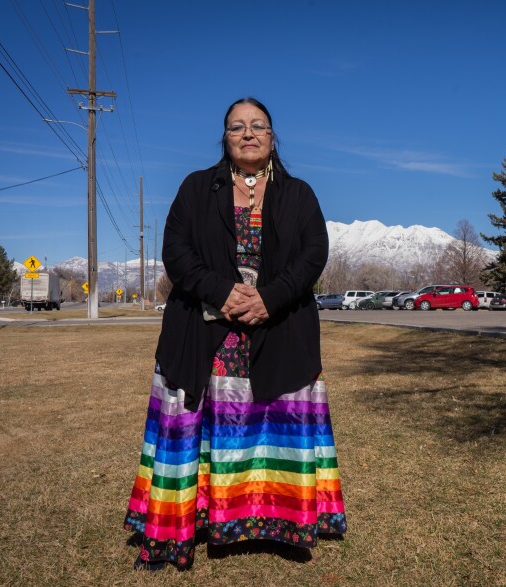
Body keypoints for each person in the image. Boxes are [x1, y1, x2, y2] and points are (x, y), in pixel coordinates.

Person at [124, 97, 347, 571]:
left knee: (270, 428)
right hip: (203, 334)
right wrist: (222, 292)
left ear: (272, 137)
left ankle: (280, 523)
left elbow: (314, 254)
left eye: (258, 126)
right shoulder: (194, 189)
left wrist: (271, 297)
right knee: (198, 428)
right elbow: (176, 251)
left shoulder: (300, 194)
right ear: (224, 138)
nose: (248, 134)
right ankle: (181, 526)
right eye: (237, 127)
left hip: (280, 330)